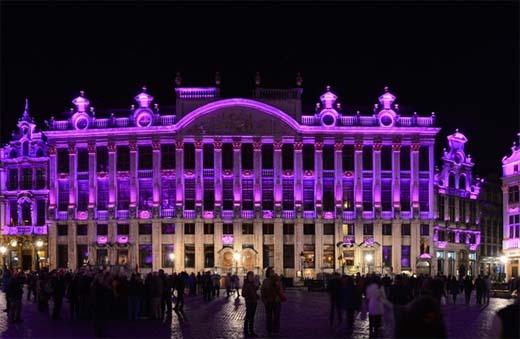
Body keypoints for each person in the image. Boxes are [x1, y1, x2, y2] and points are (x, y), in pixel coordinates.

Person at [261, 267, 282, 337]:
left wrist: (278, 282)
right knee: (269, 316)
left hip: (277, 301)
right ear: (268, 273)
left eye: (273, 271)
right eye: (271, 272)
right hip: (269, 301)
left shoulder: (277, 280)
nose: (272, 273)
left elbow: (281, 289)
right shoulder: (265, 281)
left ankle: (276, 330)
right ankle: (269, 330)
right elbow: (263, 291)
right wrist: (264, 300)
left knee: (276, 316)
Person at [242, 271, 259, 337]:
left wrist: (257, 282)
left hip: (254, 301)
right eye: (251, 275)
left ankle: (251, 330)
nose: (252, 277)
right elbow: (243, 293)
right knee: (249, 316)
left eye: (252, 275)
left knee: (252, 316)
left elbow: (255, 289)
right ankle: (246, 329)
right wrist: (250, 295)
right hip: (249, 301)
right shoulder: (246, 284)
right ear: (248, 276)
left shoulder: (253, 283)